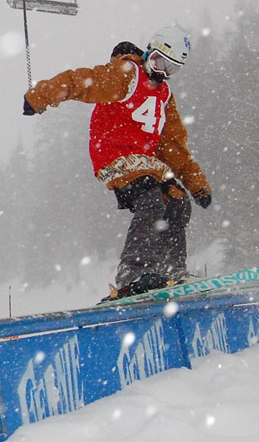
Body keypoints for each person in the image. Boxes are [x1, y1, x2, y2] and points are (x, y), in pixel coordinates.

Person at [22, 26, 212, 300]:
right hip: (114, 155)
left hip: (146, 162)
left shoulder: (164, 95)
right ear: (149, 52)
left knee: (177, 200)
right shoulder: (126, 75)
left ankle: (172, 270)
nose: (161, 73)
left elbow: (174, 146)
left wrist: (196, 185)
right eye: (159, 62)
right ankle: (133, 272)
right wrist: (42, 95)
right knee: (152, 199)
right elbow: (80, 81)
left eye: (171, 69)